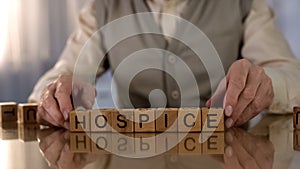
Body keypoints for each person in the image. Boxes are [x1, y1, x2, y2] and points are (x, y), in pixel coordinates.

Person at [29, 0, 300, 129]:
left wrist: (265, 85)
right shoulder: (103, 7)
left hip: (223, 158)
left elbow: (292, 77)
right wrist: (53, 94)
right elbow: (61, 74)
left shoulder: (245, 4)